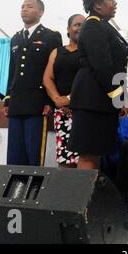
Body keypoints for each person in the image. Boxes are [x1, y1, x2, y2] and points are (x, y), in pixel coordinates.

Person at [67, 0, 128, 170]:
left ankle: (88, 198)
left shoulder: (103, 25)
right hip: (92, 100)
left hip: (99, 100)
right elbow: (102, 66)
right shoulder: (93, 26)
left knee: (95, 153)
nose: (115, 3)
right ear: (97, 4)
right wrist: (118, 97)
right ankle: (80, 199)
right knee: (88, 153)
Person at [4, 0, 62, 166]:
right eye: (22, 6)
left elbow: (55, 72)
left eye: (29, 6)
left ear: (41, 12)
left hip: (37, 104)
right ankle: (15, 190)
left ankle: (34, 191)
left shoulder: (51, 36)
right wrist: (8, 99)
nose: (24, 9)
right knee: (15, 154)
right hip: (16, 103)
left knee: (34, 153)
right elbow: (12, 72)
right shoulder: (15, 38)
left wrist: (49, 100)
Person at [43, 14, 85, 167]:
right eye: (76, 24)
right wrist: (57, 99)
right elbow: (47, 78)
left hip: (84, 111)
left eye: (84, 24)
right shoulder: (57, 52)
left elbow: (92, 80)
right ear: (68, 29)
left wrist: (71, 99)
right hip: (62, 113)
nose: (80, 28)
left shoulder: (90, 52)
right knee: (64, 160)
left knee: (84, 160)